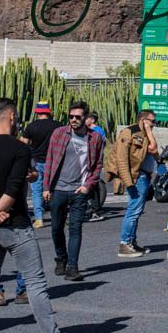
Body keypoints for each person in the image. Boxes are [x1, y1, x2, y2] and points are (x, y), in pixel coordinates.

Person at [0, 97, 90, 333]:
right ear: (10, 117)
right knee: (35, 282)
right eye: (16, 117)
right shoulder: (19, 149)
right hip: (16, 225)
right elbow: (11, 190)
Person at [41, 100, 104, 282]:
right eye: (71, 116)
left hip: (79, 190)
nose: (74, 120)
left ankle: (72, 267)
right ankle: (61, 258)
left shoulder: (95, 138)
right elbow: (50, 160)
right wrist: (46, 187)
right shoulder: (59, 134)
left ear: (86, 118)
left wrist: (88, 185)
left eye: (78, 117)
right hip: (58, 189)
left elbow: (98, 165)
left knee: (75, 229)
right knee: (55, 228)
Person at [109, 108, 158, 258]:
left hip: (144, 177)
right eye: (153, 121)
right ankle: (124, 244)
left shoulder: (145, 134)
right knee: (133, 211)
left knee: (137, 211)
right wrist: (128, 182)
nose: (155, 124)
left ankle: (132, 242)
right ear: (143, 120)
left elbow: (154, 150)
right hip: (135, 178)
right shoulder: (129, 133)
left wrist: (149, 132)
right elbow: (121, 159)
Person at [20, 101, 60, 228]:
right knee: (54, 189)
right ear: (49, 111)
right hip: (54, 162)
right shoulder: (58, 126)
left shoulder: (31, 126)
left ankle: (39, 218)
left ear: (37, 112)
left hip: (36, 162)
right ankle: (56, 217)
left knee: (36, 190)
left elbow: (23, 145)